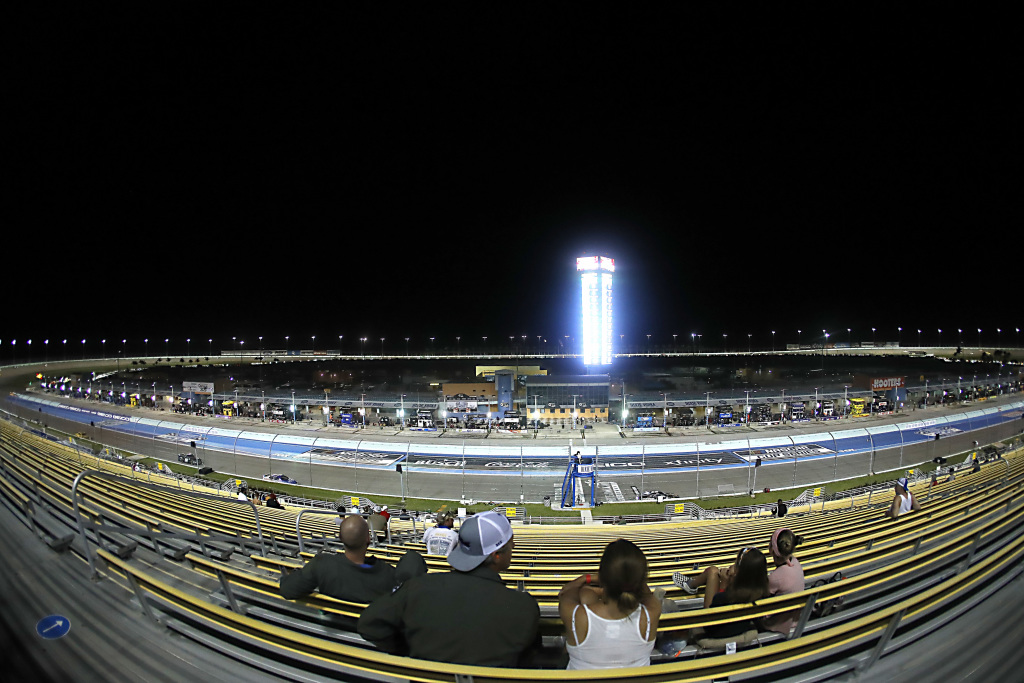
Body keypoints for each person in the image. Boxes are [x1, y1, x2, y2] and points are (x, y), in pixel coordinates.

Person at [358, 510, 540, 667]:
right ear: (497, 555)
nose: (514, 546)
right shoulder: (523, 607)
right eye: (510, 543)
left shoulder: (418, 587)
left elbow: (368, 624)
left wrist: (410, 651)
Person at [558, 539, 660, 669]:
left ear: (603, 576)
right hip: (635, 678)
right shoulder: (652, 612)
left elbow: (566, 591)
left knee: (585, 593)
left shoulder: (575, 615)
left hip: (583, 677)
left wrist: (586, 578)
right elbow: (643, 589)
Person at [280, 515, 419, 604]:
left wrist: (292, 575)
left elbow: (287, 590)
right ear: (368, 539)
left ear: (340, 538)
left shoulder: (321, 564)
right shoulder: (387, 574)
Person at [702, 548, 770, 640]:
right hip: (741, 627)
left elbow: (709, 623)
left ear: (740, 572)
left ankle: (691, 585)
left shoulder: (725, 597)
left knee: (712, 572)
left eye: (736, 565)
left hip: (717, 632)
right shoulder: (763, 594)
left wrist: (723, 586)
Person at [760, 529, 805, 635]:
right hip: (795, 619)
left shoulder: (776, 577)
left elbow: (762, 594)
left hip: (778, 624)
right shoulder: (796, 563)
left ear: (772, 550)